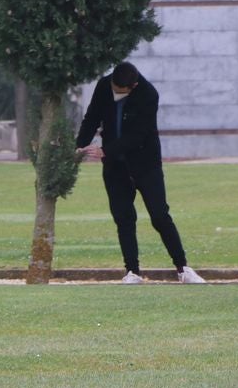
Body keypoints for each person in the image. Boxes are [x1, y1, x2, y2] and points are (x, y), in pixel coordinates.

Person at [76, 62, 206, 284]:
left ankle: (183, 268)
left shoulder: (148, 94)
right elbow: (92, 118)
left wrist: (105, 150)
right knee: (124, 217)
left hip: (146, 164)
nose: (115, 93)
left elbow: (138, 135)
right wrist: (80, 145)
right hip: (115, 166)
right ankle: (132, 271)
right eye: (114, 88)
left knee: (160, 215)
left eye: (121, 91)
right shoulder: (104, 86)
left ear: (133, 86)